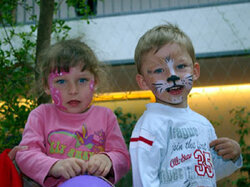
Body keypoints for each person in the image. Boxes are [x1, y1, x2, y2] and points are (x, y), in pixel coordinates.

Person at [129, 23, 242, 187]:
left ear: (195, 71)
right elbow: (143, 180)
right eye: (159, 70)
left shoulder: (203, 124)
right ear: (143, 82)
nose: (172, 76)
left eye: (180, 66)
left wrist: (232, 155)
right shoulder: (149, 126)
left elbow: (209, 174)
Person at [16, 39, 130, 187]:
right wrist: (54, 166)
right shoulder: (41, 115)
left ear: (95, 82)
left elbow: (122, 157)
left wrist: (108, 159)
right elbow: (25, 154)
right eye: (61, 82)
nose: (73, 90)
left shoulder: (106, 116)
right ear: (46, 86)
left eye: (82, 80)